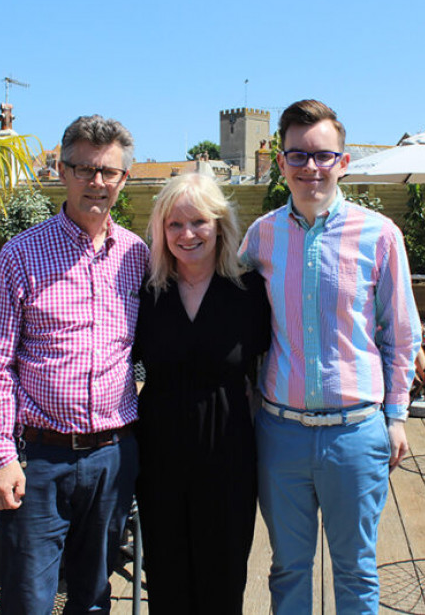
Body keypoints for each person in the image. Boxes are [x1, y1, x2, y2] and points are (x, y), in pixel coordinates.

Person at [240, 99, 423, 614]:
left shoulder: (380, 235)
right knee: (288, 569)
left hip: (356, 433)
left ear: (342, 161)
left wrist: (397, 416)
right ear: (281, 164)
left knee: (357, 570)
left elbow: (401, 333)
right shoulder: (261, 237)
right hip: (281, 434)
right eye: (297, 156)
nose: (311, 168)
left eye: (323, 155)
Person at [0, 115, 148, 614]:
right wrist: (0, 457)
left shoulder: (136, 256)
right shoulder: (21, 254)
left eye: (108, 171)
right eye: (84, 168)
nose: (96, 182)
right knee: (29, 600)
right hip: (40, 460)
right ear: (61, 171)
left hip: (113, 456)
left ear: (123, 179)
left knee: (93, 597)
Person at [133, 173, 270, 614]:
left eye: (198, 222)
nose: (187, 234)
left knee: (223, 577)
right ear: (160, 230)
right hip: (159, 454)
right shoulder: (147, 293)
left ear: (220, 224)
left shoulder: (249, 293)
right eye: (174, 224)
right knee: (167, 577)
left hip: (228, 453)